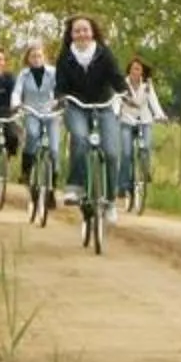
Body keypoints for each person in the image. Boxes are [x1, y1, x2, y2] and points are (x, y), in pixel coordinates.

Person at [55, 16, 126, 217]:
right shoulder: (66, 56)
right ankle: (75, 186)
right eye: (77, 31)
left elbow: (116, 77)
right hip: (77, 106)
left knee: (111, 152)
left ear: (93, 32)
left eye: (85, 30)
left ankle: (110, 200)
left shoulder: (104, 54)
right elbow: (60, 84)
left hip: (103, 105)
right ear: (71, 35)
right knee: (80, 138)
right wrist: (60, 97)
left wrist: (125, 93)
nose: (82, 34)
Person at [12, 37, 61, 215]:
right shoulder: (23, 75)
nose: (36, 59)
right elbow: (17, 92)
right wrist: (16, 104)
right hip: (31, 111)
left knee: (54, 150)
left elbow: (59, 89)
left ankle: (51, 189)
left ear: (44, 57)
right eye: (33, 56)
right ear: (28, 59)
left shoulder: (53, 72)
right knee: (32, 135)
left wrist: (59, 101)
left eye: (39, 56)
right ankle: (26, 170)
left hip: (51, 113)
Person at [115, 57, 164, 201]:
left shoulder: (147, 85)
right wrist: (115, 113)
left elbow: (153, 101)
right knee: (126, 153)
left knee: (146, 146)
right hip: (127, 121)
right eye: (133, 68)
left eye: (138, 69)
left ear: (142, 71)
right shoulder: (123, 84)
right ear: (129, 70)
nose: (135, 71)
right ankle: (122, 186)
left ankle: (145, 170)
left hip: (144, 120)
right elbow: (117, 100)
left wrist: (160, 115)